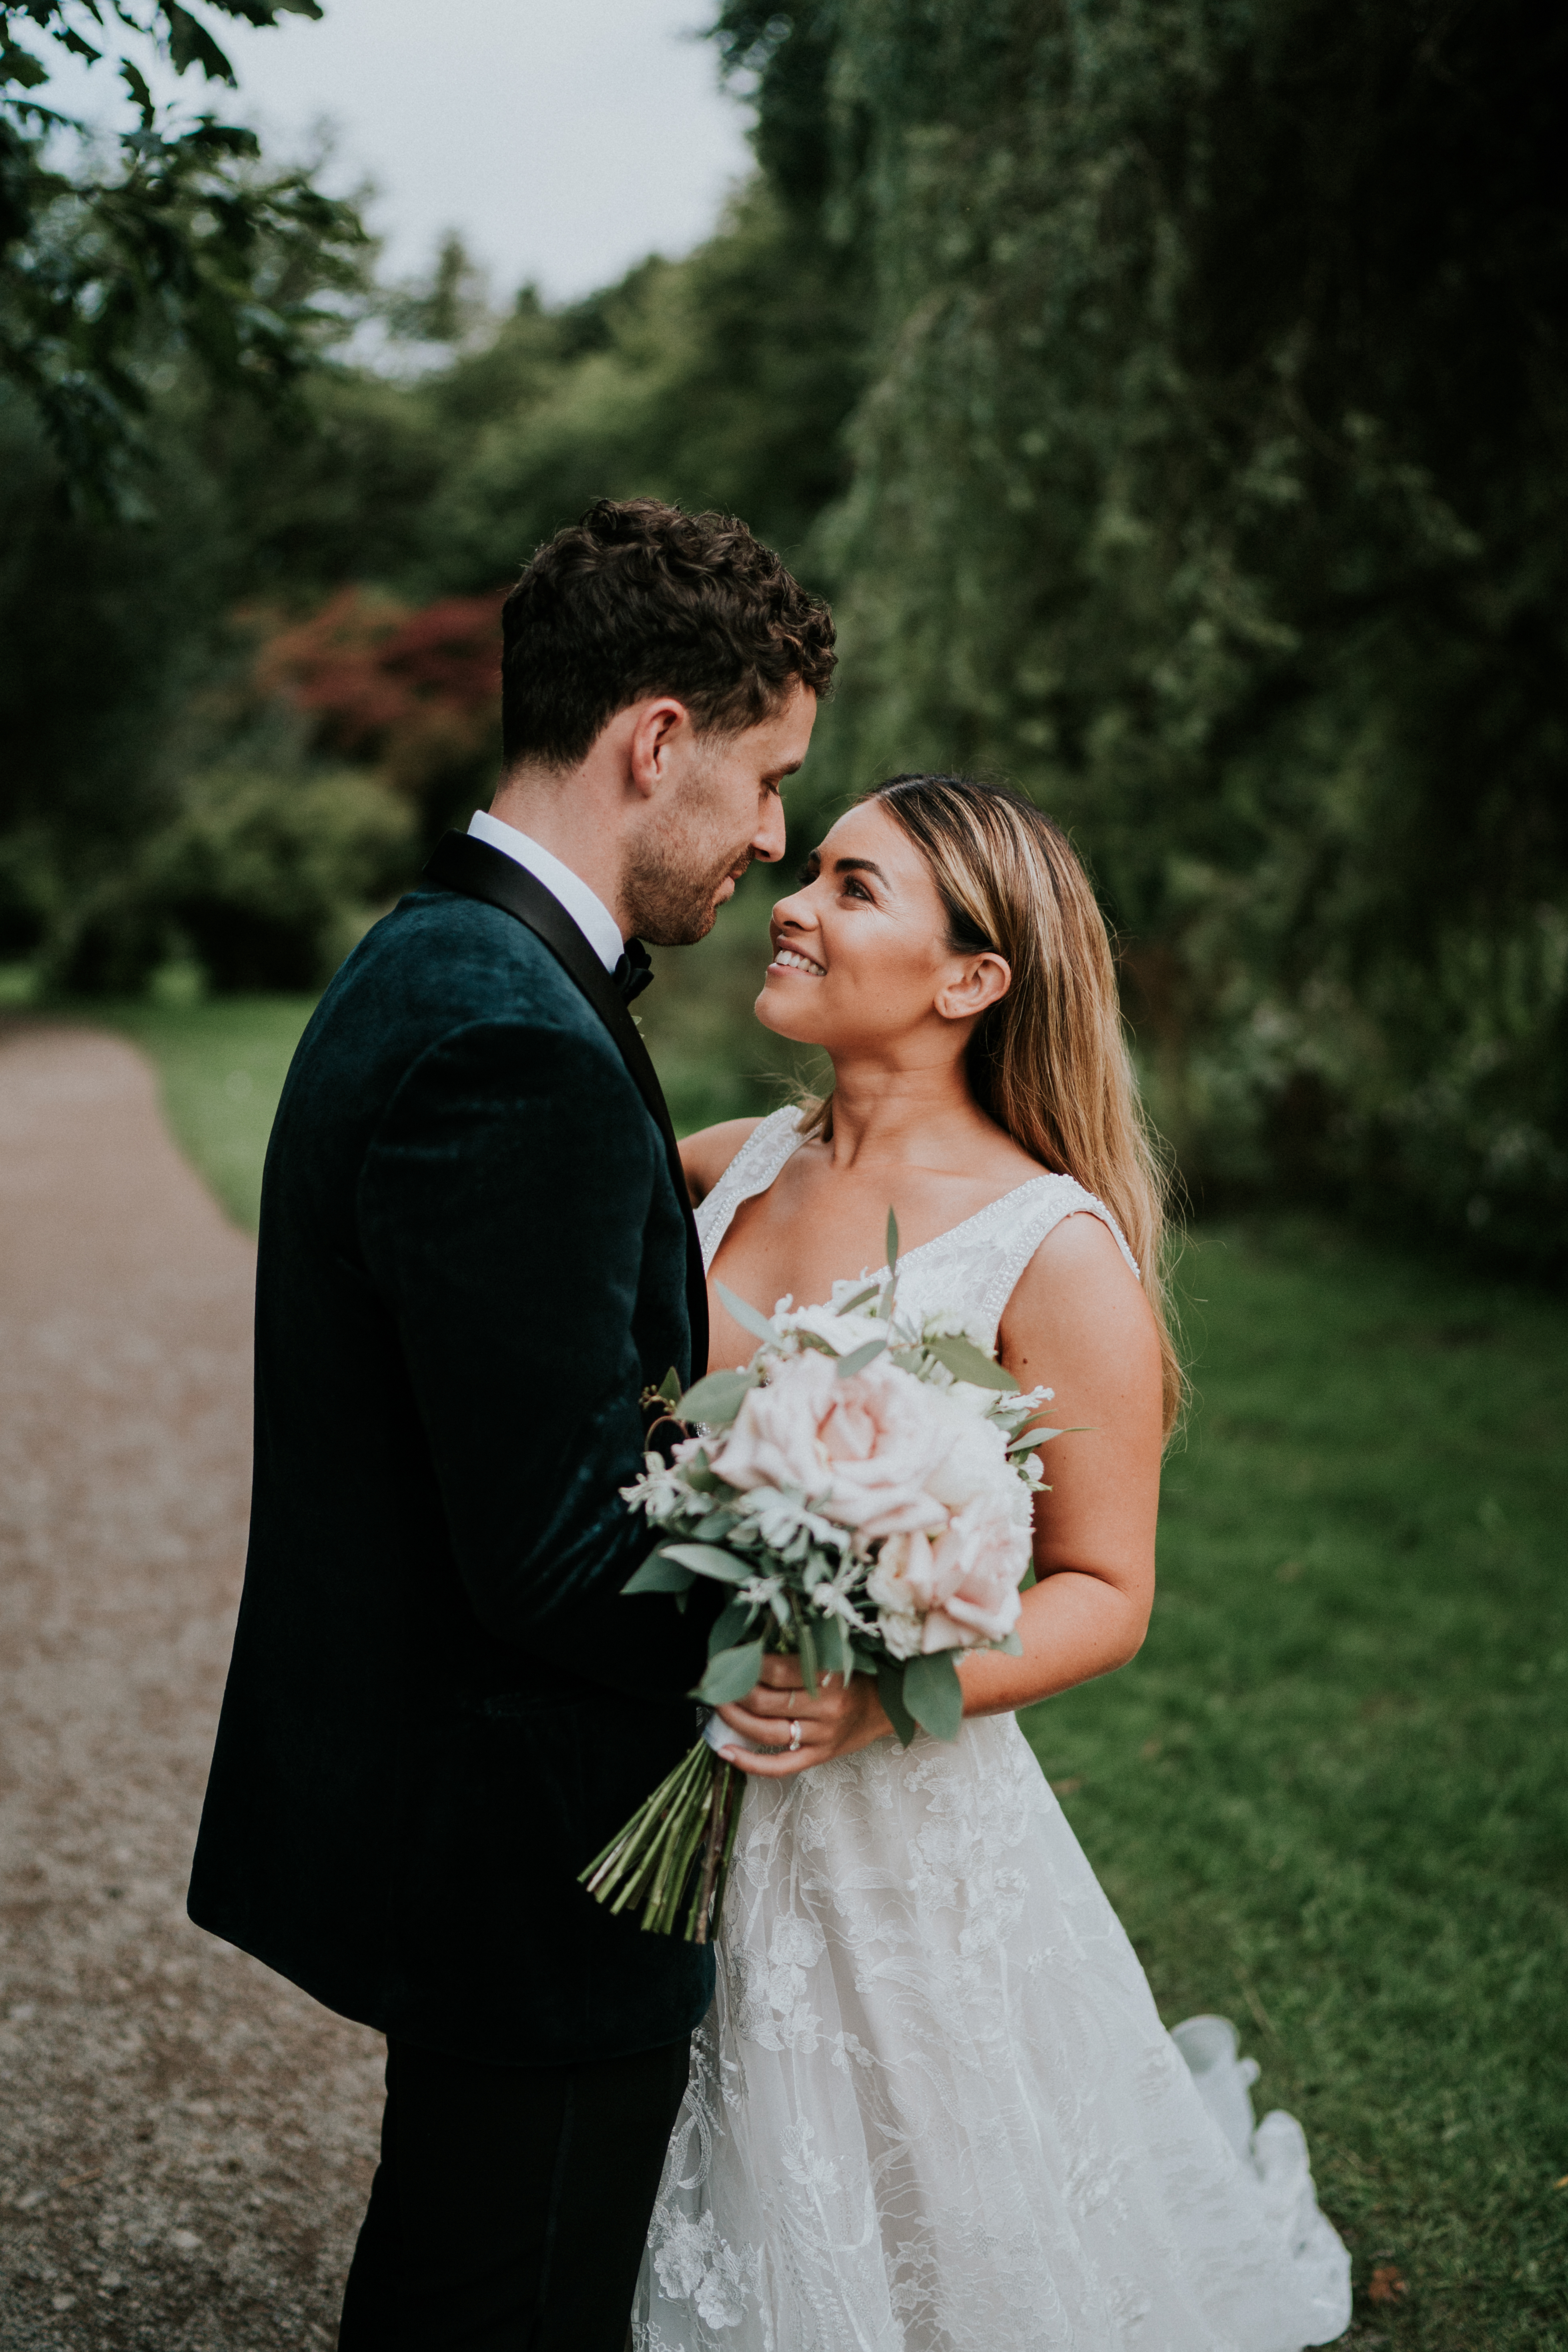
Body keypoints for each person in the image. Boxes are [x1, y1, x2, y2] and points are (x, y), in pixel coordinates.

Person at [185, 498, 835, 2350]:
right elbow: (555, 1550)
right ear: (654, 743)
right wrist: (830, 1584)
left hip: (462, 1829)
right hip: (528, 1857)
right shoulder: (510, 1038)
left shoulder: (442, 962)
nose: (776, 830)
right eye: (768, 773)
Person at [635, 774, 1353, 2350]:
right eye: (804, 870)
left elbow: (1105, 1594)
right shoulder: (731, 1163)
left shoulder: (1049, 1249)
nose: (794, 903)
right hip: (672, 1770)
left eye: (852, 886)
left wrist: (888, 1698)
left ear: (970, 979)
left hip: (886, 1814)